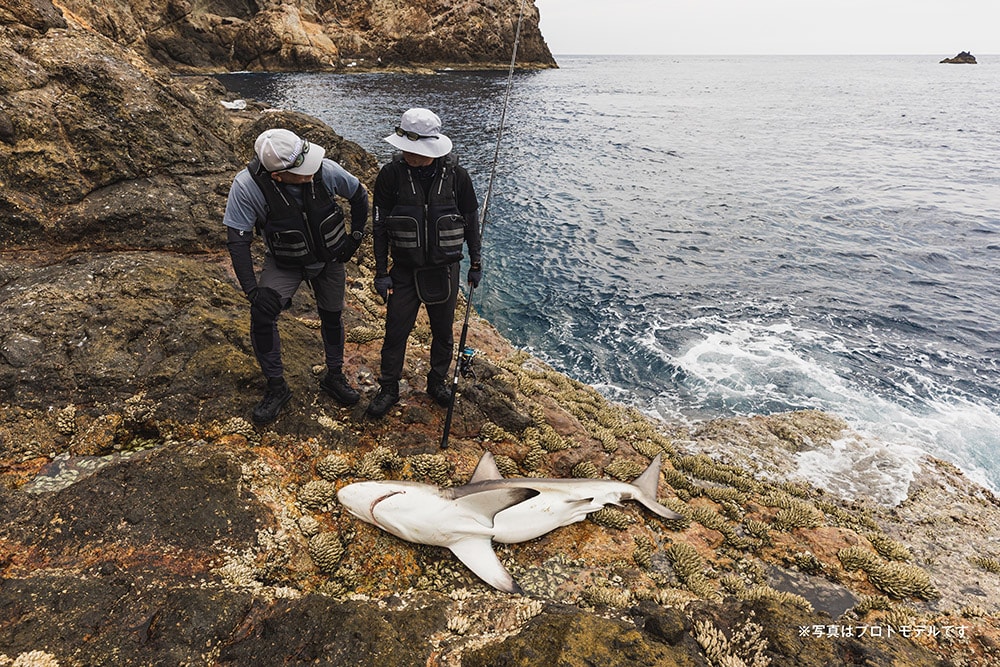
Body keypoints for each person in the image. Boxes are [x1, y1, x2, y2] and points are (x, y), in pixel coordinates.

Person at [224, 128, 369, 424]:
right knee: (262, 317)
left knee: (332, 315)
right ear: (278, 175)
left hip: (329, 260)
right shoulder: (246, 187)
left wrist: (353, 239)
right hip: (285, 263)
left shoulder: (323, 169)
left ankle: (334, 375)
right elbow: (237, 240)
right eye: (302, 171)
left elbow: (359, 195)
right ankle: (276, 387)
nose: (311, 170)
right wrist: (253, 291)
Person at [367, 108, 482, 418]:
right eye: (405, 149)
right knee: (395, 333)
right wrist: (381, 272)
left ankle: (436, 382)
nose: (409, 156)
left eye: (416, 151)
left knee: (443, 332)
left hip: (444, 270)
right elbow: (379, 226)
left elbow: (471, 221)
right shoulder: (390, 175)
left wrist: (476, 262)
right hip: (404, 271)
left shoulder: (457, 176)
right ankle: (389, 387)